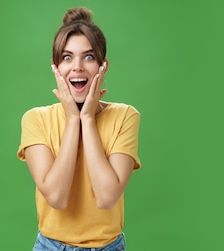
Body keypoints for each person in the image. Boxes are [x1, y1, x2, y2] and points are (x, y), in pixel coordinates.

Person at [16, 7, 141, 251]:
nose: (77, 67)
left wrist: (88, 119)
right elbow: (56, 197)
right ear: (55, 67)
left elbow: (106, 198)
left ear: (103, 66)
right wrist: (73, 120)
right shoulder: (35, 119)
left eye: (88, 57)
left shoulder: (125, 116)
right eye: (66, 57)